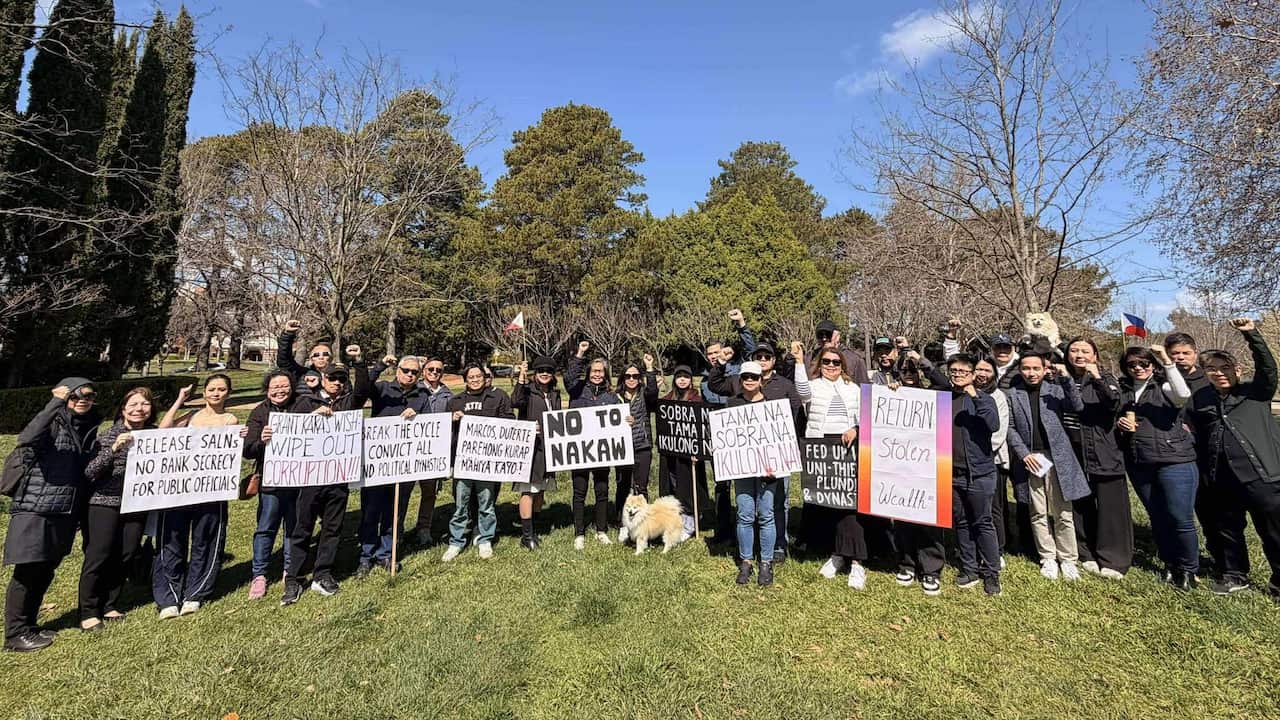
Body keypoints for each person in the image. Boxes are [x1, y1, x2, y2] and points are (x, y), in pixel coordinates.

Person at [1186, 318, 1280, 600]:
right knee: (1228, 531)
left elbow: (1268, 367)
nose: (1219, 373)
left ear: (1238, 370)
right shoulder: (1201, 398)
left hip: (1262, 476)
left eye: (1225, 368)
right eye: (1212, 369)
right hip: (1222, 478)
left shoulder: (1255, 392)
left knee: (1274, 532)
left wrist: (1251, 334)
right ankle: (1235, 575)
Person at [3, 379, 100, 652]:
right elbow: (27, 438)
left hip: (63, 511)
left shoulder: (85, 427)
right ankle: (15, 634)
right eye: (75, 395)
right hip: (37, 508)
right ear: (64, 397)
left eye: (89, 396)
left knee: (45, 571)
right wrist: (55, 402)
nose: (82, 399)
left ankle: (28, 626)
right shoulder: (52, 422)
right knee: (28, 571)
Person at [282, 348, 371, 606]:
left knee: (332, 528)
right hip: (310, 480)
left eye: (342, 379)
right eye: (333, 378)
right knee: (302, 528)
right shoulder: (305, 402)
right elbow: (291, 432)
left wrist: (359, 362)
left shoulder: (347, 403)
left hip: (338, 478)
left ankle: (322, 573)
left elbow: (363, 389)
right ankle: (294, 579)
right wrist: (311, 418)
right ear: (323, 379)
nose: (337, 383)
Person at [154, 375, 243, 617]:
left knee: (206, 539)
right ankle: (169, 596)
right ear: (204, 393)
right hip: (179, 488)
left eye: (222, 389)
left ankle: (195, 593)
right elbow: (163, 432)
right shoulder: (191, 417)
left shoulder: (230, 419)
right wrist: (180, 400)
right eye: (212, 389)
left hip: (211, 490)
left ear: (228, 393)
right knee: (171, 540)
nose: (216, 393)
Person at [709, 341, 806, 564]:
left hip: (774, 458)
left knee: (777, 504)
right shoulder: (736, 384)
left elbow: (796, 412)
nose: (762, 360)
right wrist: (721, 361)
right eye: (758, 356)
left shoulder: (784, 385)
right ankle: (748, 551)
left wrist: (787, 442)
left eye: (767, 356)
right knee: (746, 508)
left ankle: (778, 546)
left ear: (773, 361)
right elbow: (714, 384)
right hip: (744, 463)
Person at [1116, 344, 1199, 590]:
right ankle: (1170, 564)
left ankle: (1189, 569)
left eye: (1144, 363)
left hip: (1174, 460)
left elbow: (1182, 394)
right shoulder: (1126, 390)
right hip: (1140, 462)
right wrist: (1121, 422)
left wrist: (1166, 361)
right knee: (1158, 517)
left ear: (1152, 365)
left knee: (1180, 517)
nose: (1139, 368)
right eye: (1132, 365)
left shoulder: (1163, 386)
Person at [1005, 348, 1090, 582]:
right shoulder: (1013, 394)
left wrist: (1066, 379)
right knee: (1037, 511)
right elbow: (1010, 428)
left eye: (1036, 368)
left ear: (1045, 369)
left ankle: (1068, 558)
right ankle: (1048, 557)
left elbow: (1077, 406)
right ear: (1020, 370)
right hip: (1033, 459)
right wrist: (1024, 454)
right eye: (1026, 368)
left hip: (1059, 458)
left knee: (1063, 512)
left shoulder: (1055, 390)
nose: (1031, 373)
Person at [79, 387, 155, 631]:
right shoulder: (109, 435)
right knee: (99, 556)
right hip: (104, 503)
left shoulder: (155, 435)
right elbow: (91, 471)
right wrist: (114, 449)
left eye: (144, 404)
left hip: (136, 504)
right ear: (123, 409)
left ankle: (110, 603)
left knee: (127, 553)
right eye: (133, 404)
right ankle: (89, 610)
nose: (139, 409)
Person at [1062, 338, 1132, 579]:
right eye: (1073, 350)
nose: (1078, 355)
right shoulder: (1063, 378)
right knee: (1081, 505)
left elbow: (1114, 403)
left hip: (1103, 451)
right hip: (1073, 452)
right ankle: (1087, 552)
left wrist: (1098, 378)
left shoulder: (1106, 378)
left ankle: (1113, 558)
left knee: (1111, 507)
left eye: (1084, 351)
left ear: (1095, 355)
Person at [800, 346, 869, 590]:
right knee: (830, 504)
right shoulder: (813, 386)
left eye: (836, 362)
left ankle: (857, 562)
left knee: (849, 506)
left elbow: (866, 415)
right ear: (820, 363)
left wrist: (856, 429)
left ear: (843, 366)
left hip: (848, 448)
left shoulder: (853, 388)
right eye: (826, 361)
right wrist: (800, 362)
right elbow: (801, 392)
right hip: (822, 448)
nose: (831, 366)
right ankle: (838, 554)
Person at [356, 355, 432, 577]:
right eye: (406, 370)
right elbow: (362, 389)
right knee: (370, 511)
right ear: (397, 370)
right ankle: (365, 556)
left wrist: (417, 417)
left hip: (403, 466)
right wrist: (378, 366)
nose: (410, 375)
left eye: (414, 372)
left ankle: (386, 553)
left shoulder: (422, 396)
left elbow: (429, 426)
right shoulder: (382, 389)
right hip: (377, 463)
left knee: (395, 511)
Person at [441, 364, 514, 561]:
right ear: (465, 380)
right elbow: (444, 432)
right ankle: (455, 542)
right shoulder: (455, 401)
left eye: (479, 376)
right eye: (471, 377)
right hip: (463, 462)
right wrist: (452, 419)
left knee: (486, 503)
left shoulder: (498, 397)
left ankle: (484, 539)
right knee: (460, 504)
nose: (475, 379)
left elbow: (509, 422)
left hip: (487, 463)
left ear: (485, 377)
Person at [945, 354, 1003, 596]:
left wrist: (975, 396)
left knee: (983, 522)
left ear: (972, 374)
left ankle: (991, 574)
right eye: (954, 371)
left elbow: (993, 424)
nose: (958, 375)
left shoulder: (985, 399)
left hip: (979, 473)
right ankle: (969, 568)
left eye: (962, 371)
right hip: (952, 473)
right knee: (962, 522)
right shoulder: (944, 399)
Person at [243, 371, 296, 600]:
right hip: (270, 482)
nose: (280, 390)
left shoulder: (301, 407)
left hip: (297, 479)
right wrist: (261, 442)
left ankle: (289, 569)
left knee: (293, 527)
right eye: (275, 387)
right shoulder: (259, 412)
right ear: (267, 390)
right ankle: (259, 574)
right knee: (266, 527)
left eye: (285, 386)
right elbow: (247, 450)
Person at [728, 362, 781, 587]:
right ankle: (747, 560)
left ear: (762, 380)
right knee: (745, 514)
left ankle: (766, 562)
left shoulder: (773, 406)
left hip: (768, 470)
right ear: (740, 380)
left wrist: (776, 464)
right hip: (742, 470)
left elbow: (781, 440)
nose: (750, 380)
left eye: (754, 376)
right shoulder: (732, 404)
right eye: (745, 377)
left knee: (766, 514)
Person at [566, 341, 621, 550]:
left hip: (601, 453)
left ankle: (601, 530)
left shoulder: (611, 397)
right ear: (588, 372)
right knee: (579, 491)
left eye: (601, 371)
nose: (597, 374)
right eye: (594, 371)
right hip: (579, 451)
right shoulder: (577, 390)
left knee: (602, 491)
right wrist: (580, 353)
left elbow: (618, 421)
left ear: (606, 375)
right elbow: (570, 377)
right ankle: (579, 532)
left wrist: (627, 422)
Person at [511, 357, 562, 550]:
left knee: (541, 489)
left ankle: (535, 523)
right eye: (540, 370)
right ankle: (527, 535)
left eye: (548, 370)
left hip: (548, 448)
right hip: (530, 447)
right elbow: (515, 401)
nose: (544, 373)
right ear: (535, 373)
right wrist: (522, 377)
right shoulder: (527, 391)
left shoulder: (555, 394)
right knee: (528, 489)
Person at [973, 357, 1013, 565]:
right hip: (969, 461)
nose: (981, 373)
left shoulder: (998, 397)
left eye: (986, 370)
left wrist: (980, 453)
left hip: (992, 460)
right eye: (978, 369)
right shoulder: (966, 394)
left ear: (994, 374)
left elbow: (999, 432)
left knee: (994, 508)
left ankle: (997, 548)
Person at [410, 357, 453, 548]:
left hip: (434, 452)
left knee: (429, 492)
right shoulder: (413, 389)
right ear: (423, 369)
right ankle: (394, 532)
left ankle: (423, 529)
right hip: (410, 449)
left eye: (439, 370)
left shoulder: (448, 395)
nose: (435, 372)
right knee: (402, 493)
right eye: (431, 369)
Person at [657, 365, 703, 538]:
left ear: (691, 380)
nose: (682, 380)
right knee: (672, 484)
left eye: (686, 376)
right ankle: (674, 521)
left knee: (688, 487)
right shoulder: (668, 399)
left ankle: (691, 521)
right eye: (679, 377)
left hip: (689, 453)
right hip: (671, 452)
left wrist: (697, 449)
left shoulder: (696, 399)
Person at [614, 354, 659, 515]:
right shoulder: (615, 397)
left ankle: (642, 517)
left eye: (635, 376)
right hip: (622, 447)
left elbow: (653, 392)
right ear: (623, 378)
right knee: (623, 484)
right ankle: (621, 518)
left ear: (640, 378)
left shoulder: (644, 396)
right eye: (628, 376)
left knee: (641, 486)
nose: (631, 379)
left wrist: (649, 368)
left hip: (642, 445)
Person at [700, 308, 757, 407]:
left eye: (716, 352)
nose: (713, 356)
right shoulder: (705, 382)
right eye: (710, 354)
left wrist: (741, 324)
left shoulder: (738, 371)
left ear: (723, 352)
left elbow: (750, 351)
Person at [276, 319, 334, 395]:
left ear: (331, 357)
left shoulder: (340, 375)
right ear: (311, 359)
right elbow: (284, 360)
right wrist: (288, 334)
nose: (321, 357)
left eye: (325, 354)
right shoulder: (301, 373)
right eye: (316, 355)